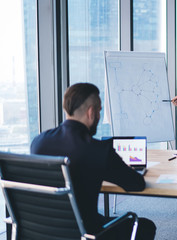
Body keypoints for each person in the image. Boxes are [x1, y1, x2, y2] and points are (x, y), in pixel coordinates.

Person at [31, 83, 156, 240]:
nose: (99, 116)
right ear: (91, 112)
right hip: (87, 233)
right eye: (99, 110)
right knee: (145, 226)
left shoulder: (38, 142)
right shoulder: (98, 150)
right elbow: (136, 184)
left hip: (40, 231)